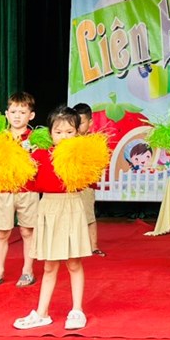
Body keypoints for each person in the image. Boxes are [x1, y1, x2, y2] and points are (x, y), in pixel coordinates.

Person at [13, 107, 92, 330]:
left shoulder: (81, 156)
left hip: (71, 206)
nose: (63, 136)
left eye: (69, 132)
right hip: (47, 207)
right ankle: (42, 313)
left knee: (74, 263)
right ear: (50, 133)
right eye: (58, 132)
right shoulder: (40, 154)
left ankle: (77, 311)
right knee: (49, 266)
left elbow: (89, 179)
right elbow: (29, 182)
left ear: (77, 132)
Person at [0, 92, 39, 288]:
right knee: (2, 233)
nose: (17, 116)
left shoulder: (36, 138)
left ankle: (28, 271)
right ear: (6, 114)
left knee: (27, 231)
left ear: (31, 115)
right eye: (13, 112)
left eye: (22, 112)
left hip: (28, 190)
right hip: (4, 191)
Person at [73, 102, 105, 257]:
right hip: (69, 184)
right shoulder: (67, 140)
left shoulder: (94, 142)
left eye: (82, 122)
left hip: (86, 185)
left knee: (88, 215)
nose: (78, 126)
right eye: (75, 122)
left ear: (90, 122)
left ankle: (93, 246)